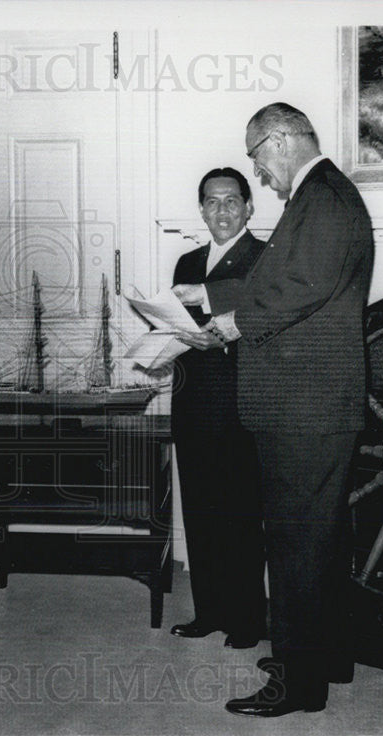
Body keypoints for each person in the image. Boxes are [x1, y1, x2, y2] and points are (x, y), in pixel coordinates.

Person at [180, 103, 374, 717]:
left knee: (297, 547)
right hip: (310, 407)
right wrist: (208, 291)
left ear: (282, 139)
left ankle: (298, 683)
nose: (258, 175)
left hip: (305, 410)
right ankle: (323, 657)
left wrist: (232, 320)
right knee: (318, 541)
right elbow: (283, 277)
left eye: (257, 158)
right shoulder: (322, 197)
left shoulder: (322, 198)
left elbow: (303, 287)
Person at [167, 168, 267, 649]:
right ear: (201, 209)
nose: (222, 210)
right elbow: (180, 330)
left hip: (241, 406)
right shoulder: (187, 263)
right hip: (192, 404)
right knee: (202, 513)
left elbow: (267, 331)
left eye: (232, 201)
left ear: (250, 207)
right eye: (212, 201)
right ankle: (208, 610)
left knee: (242, 516)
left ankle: (248, 620)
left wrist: (218, 343)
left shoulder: (266, 260)